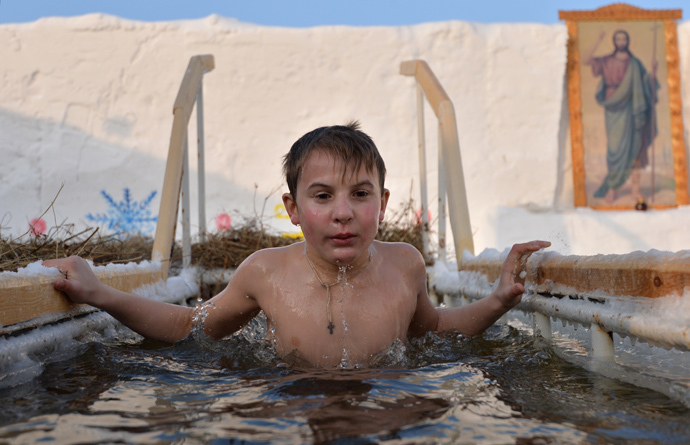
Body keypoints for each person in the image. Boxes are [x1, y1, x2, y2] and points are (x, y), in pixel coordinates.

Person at [44, 122, 549, 367]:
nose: (343, 212)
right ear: (292, 208)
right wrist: (100, 293)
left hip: (387, 403)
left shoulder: (405, 264)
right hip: (290, 407)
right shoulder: (266, 272)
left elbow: (436, 328)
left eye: (360, 194)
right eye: (323, 196)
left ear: (384, 201)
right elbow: (188, 325)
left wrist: (498, 300)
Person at [583, 29, 658, 204]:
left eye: (624, 38)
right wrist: (598, 39)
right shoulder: (607, 60)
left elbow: (645, 84)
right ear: (614, 41)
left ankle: (635, 189)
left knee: (635, 147)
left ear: (628, 41)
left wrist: (653, 73)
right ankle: (613, 188)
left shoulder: (635, 63)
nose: (621, 41)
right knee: (615, 149)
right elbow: (585, 60)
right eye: (618, 38)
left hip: (633, 107)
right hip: (614, 106)